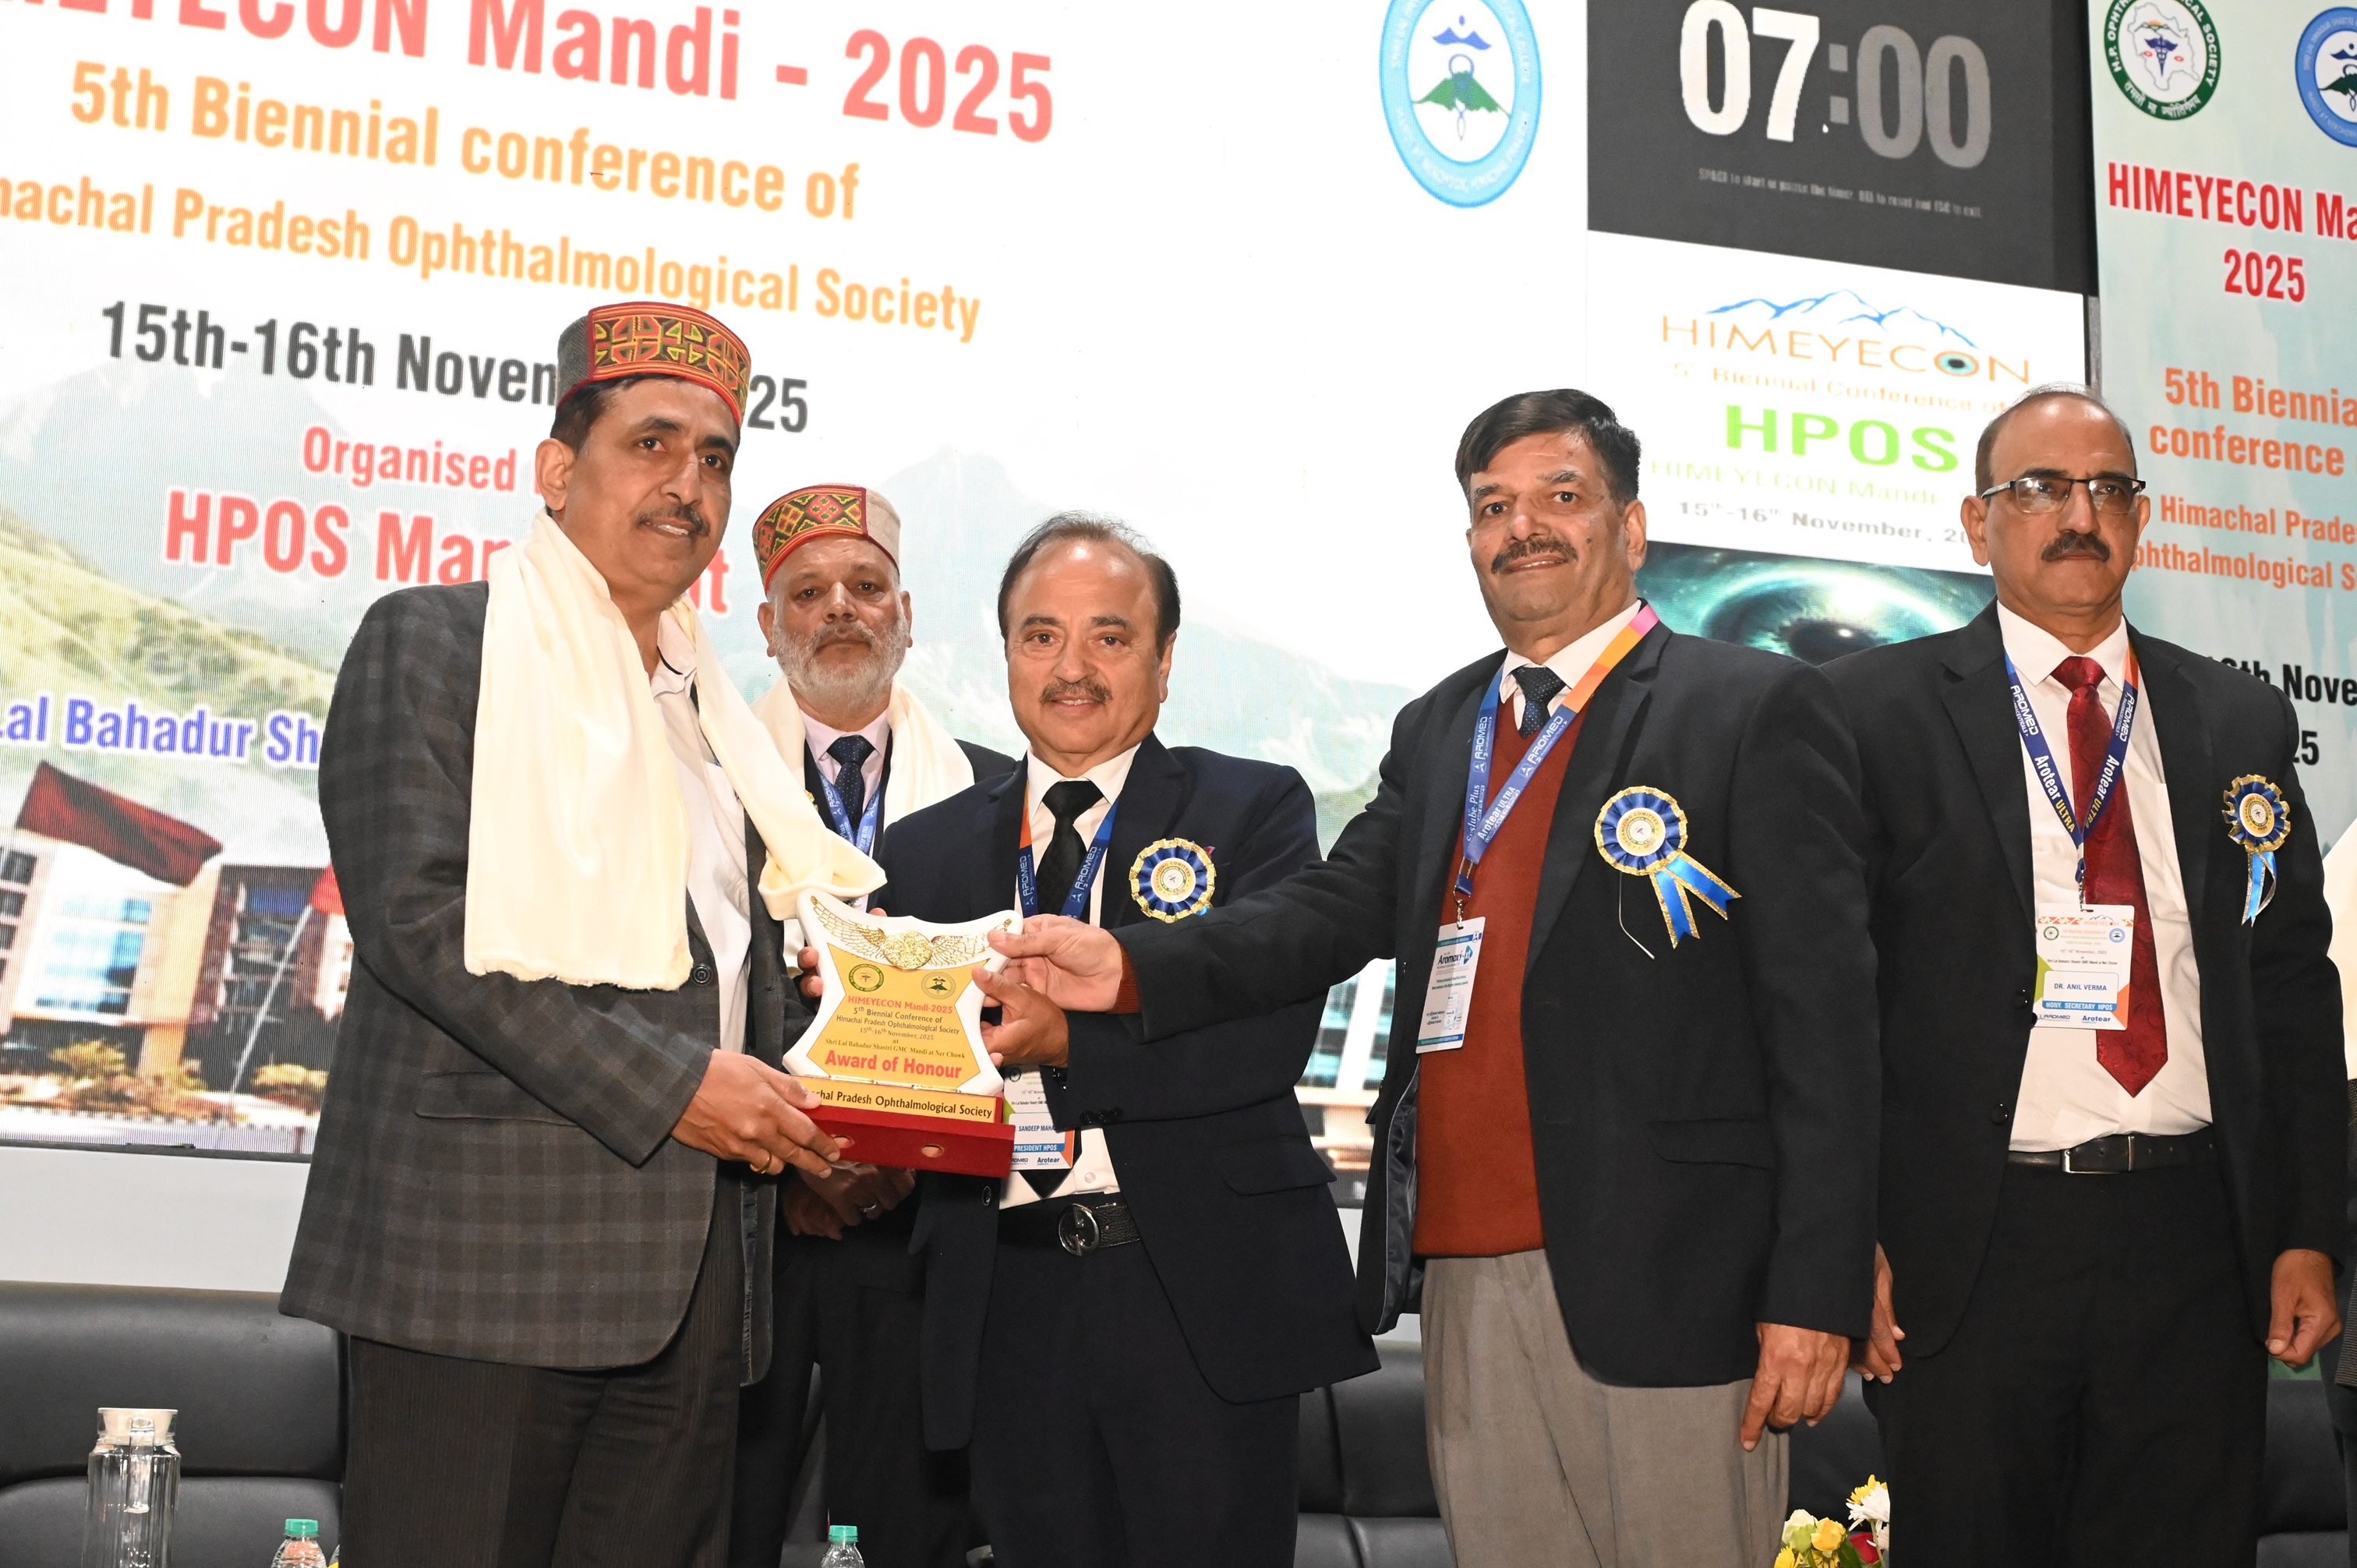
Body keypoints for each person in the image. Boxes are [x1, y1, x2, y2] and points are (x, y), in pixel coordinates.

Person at [991, 393, 1881, 1565]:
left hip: (1672, 1278)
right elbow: (1327, 911)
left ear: (1631, 526)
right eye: (1493, 507)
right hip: (1461, 1271)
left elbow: (1828, 1022)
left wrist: (1814, 1288)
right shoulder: (1443, 725)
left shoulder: (1750, 705)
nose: (1525, 527)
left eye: (1562, 497)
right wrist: (1131, 964)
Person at [282, 302, 881, 1566]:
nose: (688, 484)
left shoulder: (718, 719)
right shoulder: (437, 643)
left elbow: (729, 977)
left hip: (694, 1294)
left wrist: (831, 1112)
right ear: (557, 471)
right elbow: (419, 924)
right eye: (650, 444)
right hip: (479, 1275)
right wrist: (679, 1090)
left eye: (714, 458)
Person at [1822, 384, 2345, 1562]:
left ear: (2141, 519)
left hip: (2195, 1241)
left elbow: (2292, 996)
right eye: (2042, 489)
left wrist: (2309, 1229)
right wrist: (1842, 1241)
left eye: (2109, 489)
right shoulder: (1869, 712)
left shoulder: (2237, 718)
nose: (2079, 515)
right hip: (1971, 1249)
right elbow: (1826, 1011)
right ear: (1977, 523)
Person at [860, 512, 1376, 1567]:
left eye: (1110, 636)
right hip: (1005, 1301)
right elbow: (919, 1094)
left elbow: (1264, 1042)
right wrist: (856, 1043)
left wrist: (1071, 1048)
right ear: (1006, 654)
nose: (1072, 668)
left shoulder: (1252, 809)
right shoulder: (923, 852)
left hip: (1199, 1293)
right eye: (1041, 636)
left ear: (1165, 659)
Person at [731, 482, 1012, 1568]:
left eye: (865, 587)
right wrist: (795, 1161)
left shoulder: (995, 796)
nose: (840, 609)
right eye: (808, 593)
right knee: (719, 1523)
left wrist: (894, 1155)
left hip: (921, 1229)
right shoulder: (701, 781)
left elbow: (1010, 997)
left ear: (905, 615)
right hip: (745, 1225)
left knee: (904, 1533)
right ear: (769, 627)